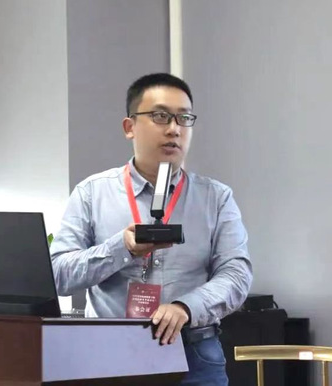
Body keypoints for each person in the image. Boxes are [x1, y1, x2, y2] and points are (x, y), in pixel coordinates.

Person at [50, 73, 252, 385]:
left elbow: (236, 275)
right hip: (110, 354)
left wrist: (186, 307)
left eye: (184, 118)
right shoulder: (92, 193)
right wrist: (122, 248)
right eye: (160, 116)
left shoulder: (215, 197)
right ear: (129, 127)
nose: (174, 129)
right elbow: (59, 275)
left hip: (193, 352)